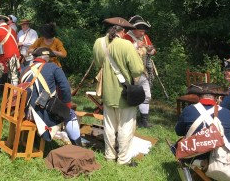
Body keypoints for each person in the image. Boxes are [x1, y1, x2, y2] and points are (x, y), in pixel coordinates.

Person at [93, 17, 144, 166]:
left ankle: (109, 156)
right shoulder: (126, 44)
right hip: (125, 92)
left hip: (107, 92)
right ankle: (123, 159)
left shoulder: (98, 43)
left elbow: (98, 64)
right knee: (125, 127)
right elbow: (137, 69)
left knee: (109, 126)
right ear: (122, 31)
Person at [175, 83, 230, 179]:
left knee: (178, 143)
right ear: (216, 98)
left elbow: (178, 131)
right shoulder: (226, 113)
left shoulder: (188, 110)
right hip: (219, 159)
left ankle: (198, 163)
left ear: (199, 97)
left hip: (192, 156)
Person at [20, 47, 81, 145]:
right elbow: (65, 88)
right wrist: (67, 107)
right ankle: (78, 147)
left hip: (23, 111)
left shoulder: (25, 69)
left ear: (35, 57)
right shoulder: (53, 67)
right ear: (47, 58)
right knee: (70, 114)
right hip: (39, 115)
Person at [123, 15, 157, 128]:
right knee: (131, 95)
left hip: (144, 71)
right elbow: (123, 51)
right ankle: (129, 119)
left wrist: (151, 50)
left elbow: (153, 51)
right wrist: (136, 45)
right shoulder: (126, 37)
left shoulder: (145, 37)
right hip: (130, 72)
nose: (143, 33)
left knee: (146, 95)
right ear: (134, 29)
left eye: (143, 31)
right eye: (141, 31)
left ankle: (144, 120)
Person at [0, 15, 20, 96]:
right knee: (14, 75)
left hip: (3, 56)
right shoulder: (12, 30)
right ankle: (14, 95)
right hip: (14, 55)